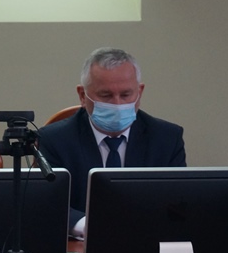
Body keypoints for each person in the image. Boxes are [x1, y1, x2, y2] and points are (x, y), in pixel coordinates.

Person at [37, 47, 185, 236]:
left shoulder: (166, 138)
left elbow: (177, 202)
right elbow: (48, 201)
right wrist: (87, 226)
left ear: (139, 92)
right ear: (82, 95)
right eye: (106, 96)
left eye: (126, 95)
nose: (117, 104)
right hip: (81, 243)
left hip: (146, 239)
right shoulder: (54, 139)